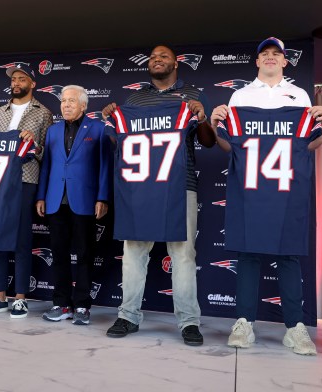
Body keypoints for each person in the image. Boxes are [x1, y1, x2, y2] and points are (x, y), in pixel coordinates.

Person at [211, 37, 322, 355]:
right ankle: (245, 322)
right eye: (265, 54)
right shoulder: (240, 95)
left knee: (289, 255)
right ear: (257, 61)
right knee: (248, 255)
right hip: (249, 188)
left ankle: (294, 327)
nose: (271, 58)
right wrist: (215, 124)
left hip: (286, 187)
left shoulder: (300, 95)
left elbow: (310, 144)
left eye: (277, 54)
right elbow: (229, 145)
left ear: (286, 62)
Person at [102, 45, 215, 346]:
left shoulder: (192, 95)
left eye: (163, 56)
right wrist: (112, 121)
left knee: (182, 255)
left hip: (180, 185)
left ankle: (189, 321)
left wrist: (201, 117)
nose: (156, 60)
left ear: (176, 63)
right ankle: (128, 315)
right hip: (140, 187)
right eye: (152, 57)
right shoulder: (135, 99)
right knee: (134, 252)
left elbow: (208, 141)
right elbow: (122, 143)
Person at [0, 64, 52, 318]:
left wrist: (32, 143)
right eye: (13, 78)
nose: (16, 82)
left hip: (25, 179)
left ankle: (20, 298)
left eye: (21, 78)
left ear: (33, 83)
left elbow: (46, 153)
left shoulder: (43, 113)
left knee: (21, 238)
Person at [37, 85, 111, 325]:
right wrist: (41, 196)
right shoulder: (53, 131)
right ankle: (61, 303)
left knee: (84, 255)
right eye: (63, 101)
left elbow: (104, 167)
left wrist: (102, 198)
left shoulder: (99, 129)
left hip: (85, 201)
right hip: (56, 200)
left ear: (83, 105)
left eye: (71, 101)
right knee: (58, 254)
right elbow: (46, 165)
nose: (66, 105)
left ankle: (82, 306)